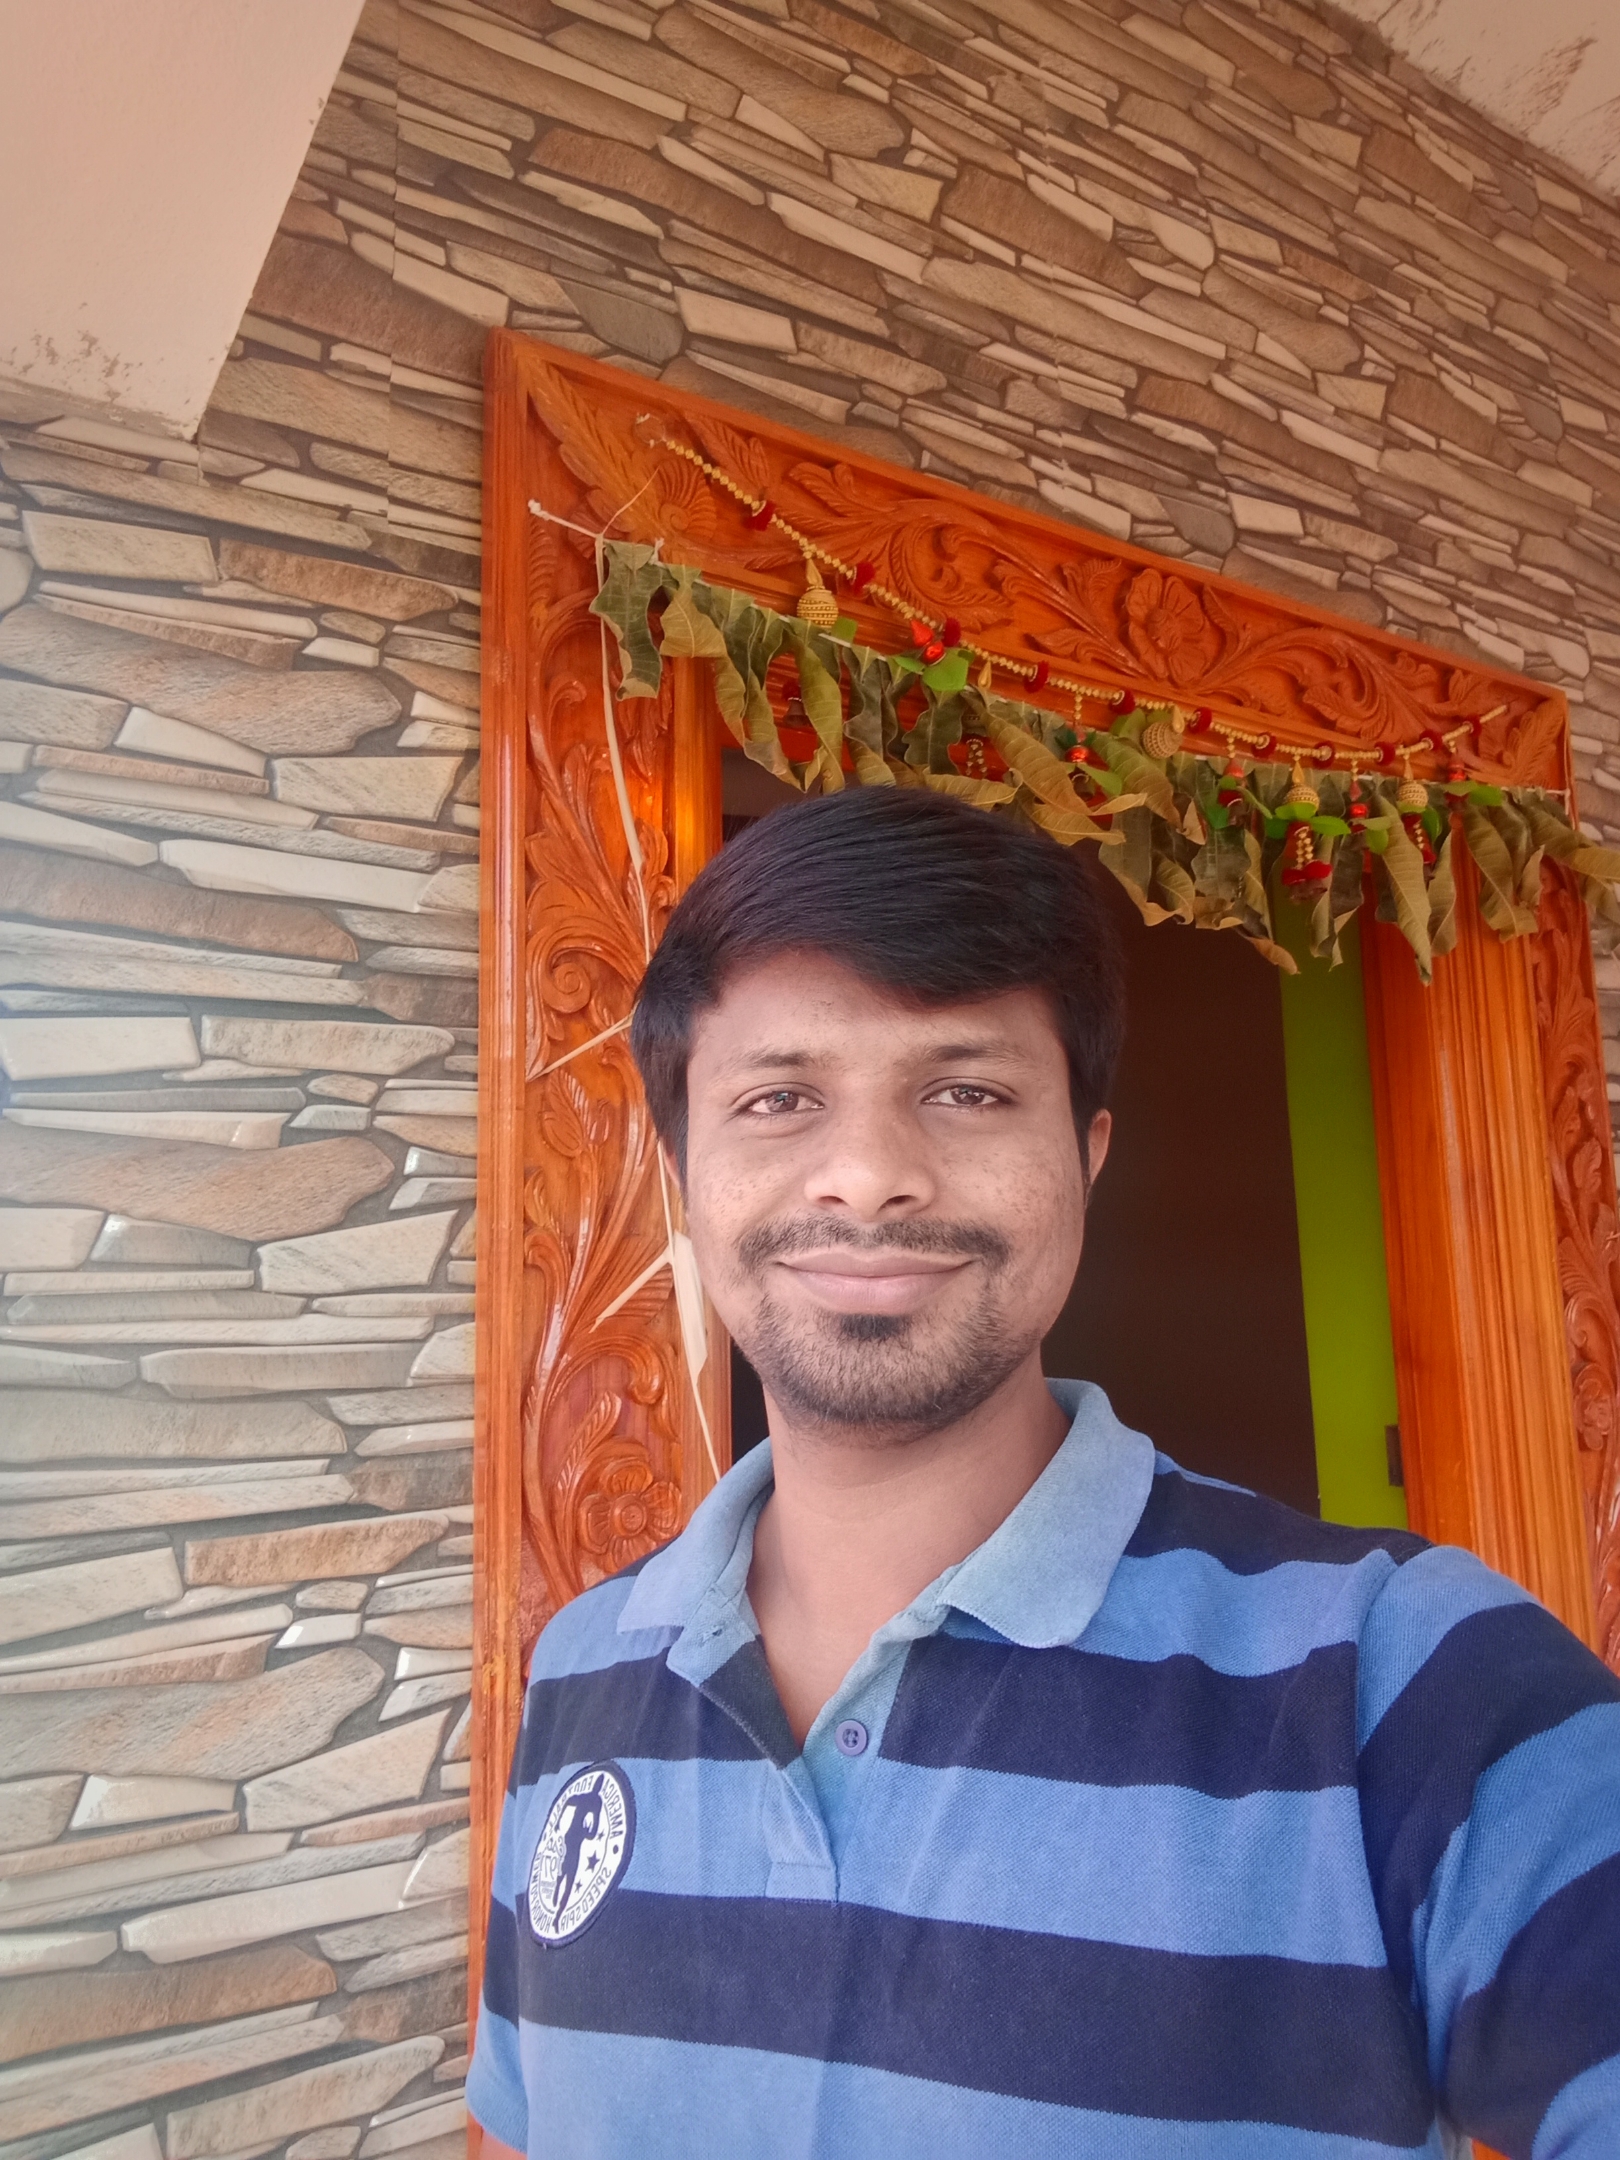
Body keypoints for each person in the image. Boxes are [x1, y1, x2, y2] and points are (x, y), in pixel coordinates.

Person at [469, 787, 1620, 2159]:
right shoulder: (581, 1669)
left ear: (1086, 1157)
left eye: (966, 1091)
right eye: (778, 1100)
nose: (867, 1177)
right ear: (680, 1176)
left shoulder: (1404, 1676)